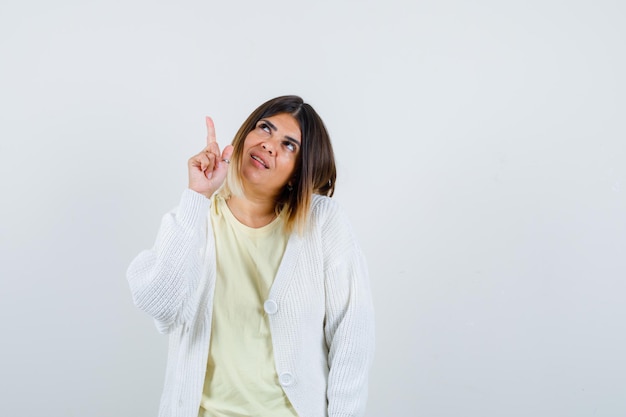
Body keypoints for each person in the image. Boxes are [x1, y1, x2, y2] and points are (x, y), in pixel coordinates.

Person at [126, 95, 375, 417]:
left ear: (300, 171)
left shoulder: (324, 222)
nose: (269, 144)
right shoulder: (195, 218)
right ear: (245, 136)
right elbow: (160, 306)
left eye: (289, 145)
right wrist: (196, 197)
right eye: (265, 128)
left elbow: (352, 337)